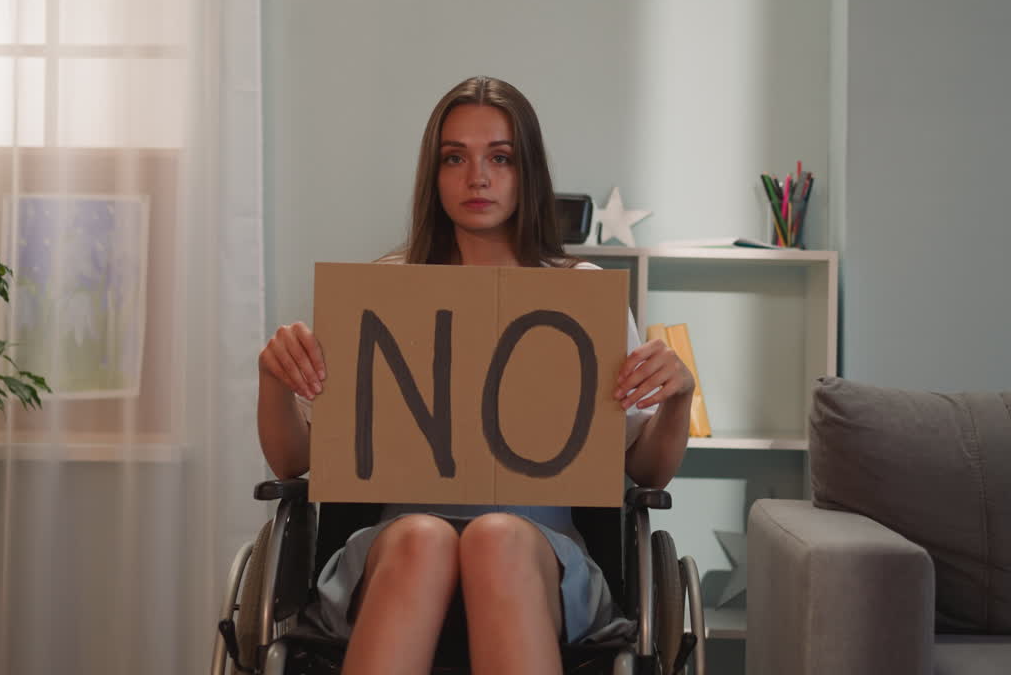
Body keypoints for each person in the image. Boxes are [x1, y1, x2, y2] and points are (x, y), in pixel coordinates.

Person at [257, 76, 692, 675]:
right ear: (434, 178)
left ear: (526, 172)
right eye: (455, 158)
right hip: (394, 547)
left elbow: (645, 470)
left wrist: (678, 399)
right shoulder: (386, 286)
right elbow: (293, 462)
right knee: (423, 536)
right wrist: (273, 379)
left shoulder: (582, 291)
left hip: (542, 549)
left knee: (497, 534)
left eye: (500, 158)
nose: (477, 177)